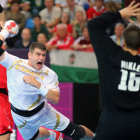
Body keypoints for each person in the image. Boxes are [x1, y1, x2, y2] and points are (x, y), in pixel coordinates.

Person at [0, 4, 94, 140]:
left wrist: (38, 85)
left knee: (76, 132)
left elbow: (55, 99)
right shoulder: (14, 63)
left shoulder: (49, 73)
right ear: (30, 55)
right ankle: (53, 135)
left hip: (43, 112)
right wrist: (4, 32)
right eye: (38, 54)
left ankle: (97, 136)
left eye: (43, 55)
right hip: (20, 117)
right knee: (35, 136)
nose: (41, 58)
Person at [88, 1, 140, 140]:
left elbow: (93, 25)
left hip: (112, 123)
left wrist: (120, 13)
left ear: (123, 42)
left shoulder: (110, 54)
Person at [0, 10, 13, 140]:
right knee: (3, 131)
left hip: (5, 95)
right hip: (0, 96)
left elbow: (2, 21)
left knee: (5, 130)